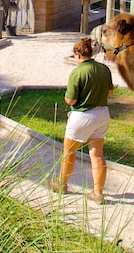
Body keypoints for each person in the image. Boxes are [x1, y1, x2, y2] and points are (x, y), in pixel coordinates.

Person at [48, 37, 114, 204]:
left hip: (82, 116)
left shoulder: (77, 72)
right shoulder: (104, 69)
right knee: (97, 154)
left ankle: (62, 184)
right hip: (102, 114)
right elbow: (110, 93)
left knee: (69, 153)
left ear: (78, 54)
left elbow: (70, 100)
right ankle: (98, 193)